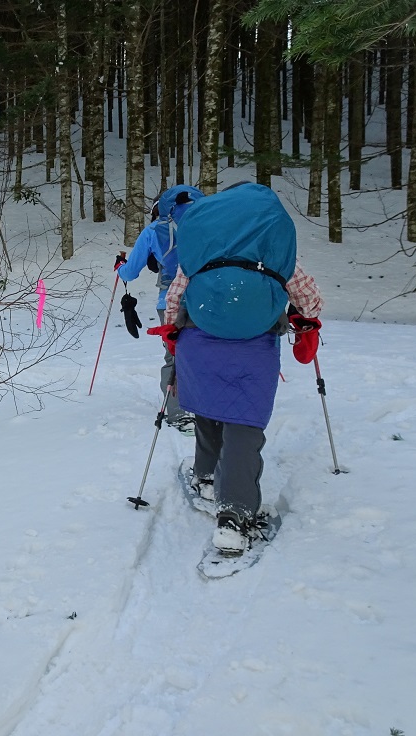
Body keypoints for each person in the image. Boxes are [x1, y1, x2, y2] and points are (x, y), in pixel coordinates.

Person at [156, 182, 323, 556]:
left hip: (200, 342)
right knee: (244, 423)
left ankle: (207, 477)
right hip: (255, 345)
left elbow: (175, 297)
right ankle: (234, 519)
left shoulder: (202, 245)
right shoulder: (273, 247)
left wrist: (172, 336)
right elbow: (309, 297)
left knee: (208, 410)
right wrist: (305, 322)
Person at [116, 185, 203, 434]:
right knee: (210, 353)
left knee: (174, 356)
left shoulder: (154, 229)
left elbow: (130, 272)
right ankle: (212, 412)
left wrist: (119, 267)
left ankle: (177, 414)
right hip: (209, 299)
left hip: (170, 302)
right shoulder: (212, 224)